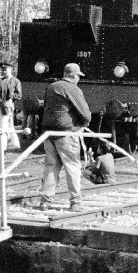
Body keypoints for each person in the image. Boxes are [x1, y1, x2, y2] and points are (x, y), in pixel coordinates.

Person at [39, 63, 91, 209]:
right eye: (78, 76)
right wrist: (84, 122)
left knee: (51, 166)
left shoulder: (52, 86)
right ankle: (75, 202)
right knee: (72, 166)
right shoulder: (72, 89)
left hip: (49, 133)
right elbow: (85, 112)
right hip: (67, 132)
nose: (78, 79)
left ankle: (45, 201)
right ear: (73, 75)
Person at [0, 62, 22, 151]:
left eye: (6, 70)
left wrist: (10, 95)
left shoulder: (16, 81)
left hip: (9, 105)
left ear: (11, 70)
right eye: (3, 70)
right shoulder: (1, 80)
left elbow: (19, 95)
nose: (4, 72)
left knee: (9, 124)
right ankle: (4, 141)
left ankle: (13, 143)